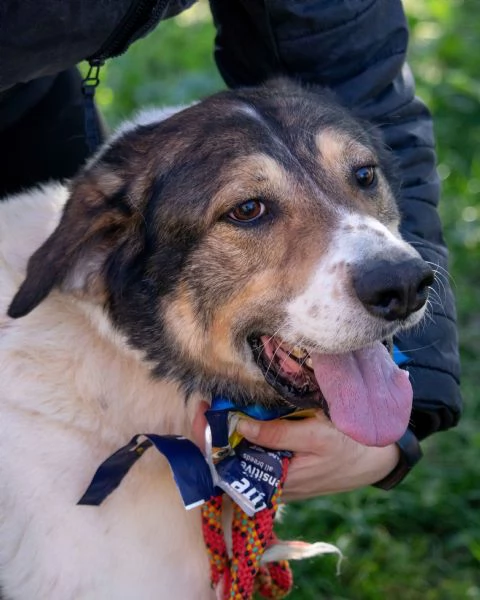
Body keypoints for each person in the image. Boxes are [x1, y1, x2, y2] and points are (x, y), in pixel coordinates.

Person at [0, 0, 461, 497]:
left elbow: (357, 78)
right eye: (249, 209)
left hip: (33, 83)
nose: (388, 263)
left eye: (362, 175)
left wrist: (412, 406)